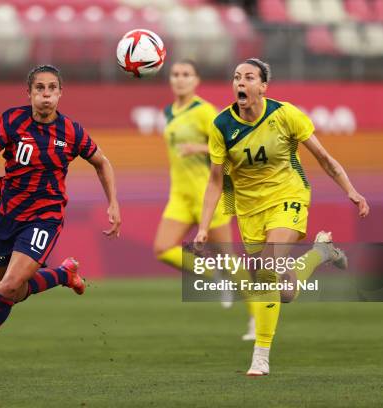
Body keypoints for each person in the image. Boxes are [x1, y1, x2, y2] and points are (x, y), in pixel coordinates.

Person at [0, 65, 121, 386]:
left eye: (52, 88)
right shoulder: (12, 120)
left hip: (45, 217)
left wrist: (113, 202)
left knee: (7, 288)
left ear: (60, 93)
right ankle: (63, 274)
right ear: (29, 93)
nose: (46, 95)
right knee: (14, 292)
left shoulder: (71, 132)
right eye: (39, 88)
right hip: (7, 217)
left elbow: (102, 163)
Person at [194, 58, 370, 376]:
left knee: (267, 272)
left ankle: (260, 356)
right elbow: (216, 180)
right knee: (285, 292)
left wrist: (351, 190)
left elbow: (325, 159)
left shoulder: (285, 114)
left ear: (263, 87)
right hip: (249, 211)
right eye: (236, 77)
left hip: (288, 197)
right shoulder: (221, 125)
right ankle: (322, 253)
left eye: (248, 77)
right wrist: (204, 225)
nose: (240, 83)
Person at [153, 60, 234, 307]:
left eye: (186, 74)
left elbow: (230, 147)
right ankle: (215, 277)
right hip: (180, 194)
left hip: (206, 193)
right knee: (163, 248)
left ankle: (257, 317)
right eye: (175, 74)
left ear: (196, 80)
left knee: (228, 260)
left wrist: (198, 147)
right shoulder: (168, 112)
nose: (180, 78)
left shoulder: (205, 111)